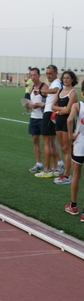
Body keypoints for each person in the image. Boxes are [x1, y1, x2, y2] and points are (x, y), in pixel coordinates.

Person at [35, 65, 64, 178]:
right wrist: (43, 93)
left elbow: (56, 90)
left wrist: (42, 90)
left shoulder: (56, 83)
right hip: (52, 113)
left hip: (49, 113)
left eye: (50, 73)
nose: (48, 75)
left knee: (47, 142)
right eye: (47, 73)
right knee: (51, 142)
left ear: (56, 73)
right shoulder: (55, 82)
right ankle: (55, 168)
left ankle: (47, 169)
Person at [51, 71, 78, 184]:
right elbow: (52, 106)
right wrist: (62, 109)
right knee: (64, 148)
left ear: (72, 79)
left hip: (68, 122)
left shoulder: (73, 93)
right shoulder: (60, 91)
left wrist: (59, 110)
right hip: (59, 121)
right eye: (64, 78)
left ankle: (67, 175)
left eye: (68, 78)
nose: (65, 80)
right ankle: (66, 174)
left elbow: (68, 110)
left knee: (67, 149)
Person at [65, 80, 84, 222]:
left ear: (82, 92)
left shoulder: (78, 105)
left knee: (76, 175)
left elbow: (69, 120)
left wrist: (71, 136)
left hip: (79, 144)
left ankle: (73, 206)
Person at [27, 68, 48, 173]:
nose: (33, 77)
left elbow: (50, 102)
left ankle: (53, 164)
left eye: (35, 75)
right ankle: (39, 163)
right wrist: (29, 105)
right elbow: (31, 102)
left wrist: (40, 105)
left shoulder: (44, 87)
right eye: (31, 75)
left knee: (47, 142)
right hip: (34, 117)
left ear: (39, 75)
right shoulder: (31, 89)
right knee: (35, 140)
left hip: (43, 117)